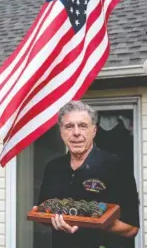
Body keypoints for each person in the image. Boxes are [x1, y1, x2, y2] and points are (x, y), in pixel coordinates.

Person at [37, 100, 140, 248]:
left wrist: (94, 222)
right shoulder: (53, 168)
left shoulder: (116, 167)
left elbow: (132, 229)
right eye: (69, 126)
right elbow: (41, 214)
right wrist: (55, 220)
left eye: (83, 126)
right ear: (61, 132)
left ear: (94, 130)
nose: (76, 132)